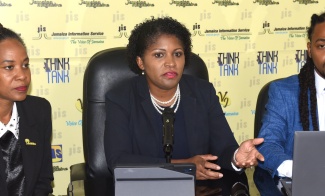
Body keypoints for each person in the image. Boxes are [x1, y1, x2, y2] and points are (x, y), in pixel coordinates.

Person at [104, 17, 264, 181]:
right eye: (159, 55)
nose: (171, 63)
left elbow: (223, 147)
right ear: (141, 62)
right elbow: (119, 161)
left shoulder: (203, 92)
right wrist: (184, 167)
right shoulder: (121, 97)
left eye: (177, 54)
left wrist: (236, 157)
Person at [254, 12, 325, 194]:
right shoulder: (284, 92)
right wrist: (300, 171)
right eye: (322, 46)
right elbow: (268, 145)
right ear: (309, 49)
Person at [0, 24, 53, 195]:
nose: (22, 75)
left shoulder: (39, 111)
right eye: (9, 67)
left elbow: (42, 182)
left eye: (25, 65)